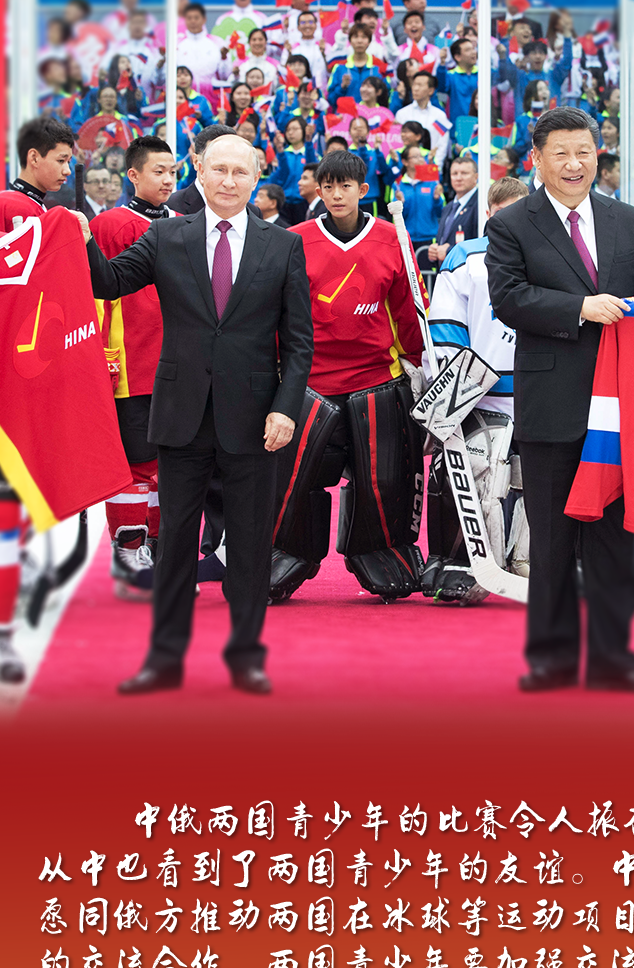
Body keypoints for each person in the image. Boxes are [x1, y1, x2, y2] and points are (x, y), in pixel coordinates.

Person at [76, 134, 314, 694]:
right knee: (176, 543)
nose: (229, 181)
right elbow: (107, 283)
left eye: (241, 172)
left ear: (256, 177)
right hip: (181, 413)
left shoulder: (284, 246)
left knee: (250, 545)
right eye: (219, 170)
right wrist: (81, 236)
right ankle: (163, 659)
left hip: (256, 419)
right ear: (200, 172)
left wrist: (286, 409)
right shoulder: (166, 235)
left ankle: (246, 659)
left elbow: (299, 343)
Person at [486, 105, 634, 692]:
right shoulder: (513, 224)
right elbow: (508, 297)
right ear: (537, 159)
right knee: (552, 538)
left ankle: (616, 659)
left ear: (598, 154)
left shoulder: (627, 219)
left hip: (622, 408)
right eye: (561, 153)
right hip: (553, 402)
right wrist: (580, 308)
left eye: (584, 152)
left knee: (617, 539)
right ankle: (553, 658)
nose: (574, 163)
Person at [269, 150, 426, 603]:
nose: (337, 194)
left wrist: (417, 360)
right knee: (291, 483)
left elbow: (408, 308)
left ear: (363, 189)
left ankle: (382, 552)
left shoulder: (393, 238)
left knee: (385, 481)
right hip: (309, 381)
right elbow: (277, 312)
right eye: (329, 186)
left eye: (346, 186)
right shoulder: (294, 240)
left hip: (377, 377)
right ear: (319, 190)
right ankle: (283, 553)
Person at [426, 176, 530, 602]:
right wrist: (457, 391)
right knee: (468, 477)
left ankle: (529, 558)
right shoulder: (466, 257)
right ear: (488, 215)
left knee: (532, 480)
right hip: (482, 395)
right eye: (502, 214)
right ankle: (457, 561)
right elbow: (447, 326)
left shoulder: (550, 251)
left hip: (537, 391)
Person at [0, 117, 75, 684]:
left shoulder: (38, 213)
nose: (68, 170)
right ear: (33, 157)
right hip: (13, 386)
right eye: (61, 160)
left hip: (18, 379)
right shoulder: (21, 212)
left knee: (12, 510)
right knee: (9, 509)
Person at [90, 136, 179, 600]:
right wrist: (98, 355)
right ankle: (128, 552)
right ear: (133, 175)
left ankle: (159, 551)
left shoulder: (185, 223)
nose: (167, 180)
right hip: (129, 365)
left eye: (172, 172)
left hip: (179, 367)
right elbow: (94, 293)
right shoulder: (108, 224)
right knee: (136, 463)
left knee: (169, 465)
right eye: (158, 171)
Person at [168, 122, 261, 216]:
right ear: (196, 162)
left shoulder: (252, 212)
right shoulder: (170, 207)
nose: (228, 182)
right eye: (219, 169)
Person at [428, 155, 479, 265]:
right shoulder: (448, 207)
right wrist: (434, 252)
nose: (458, 178)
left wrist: (449, 251)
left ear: (476, 177)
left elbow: (479, 244)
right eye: (454, 174)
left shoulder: (480, 205)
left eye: (464, 173)